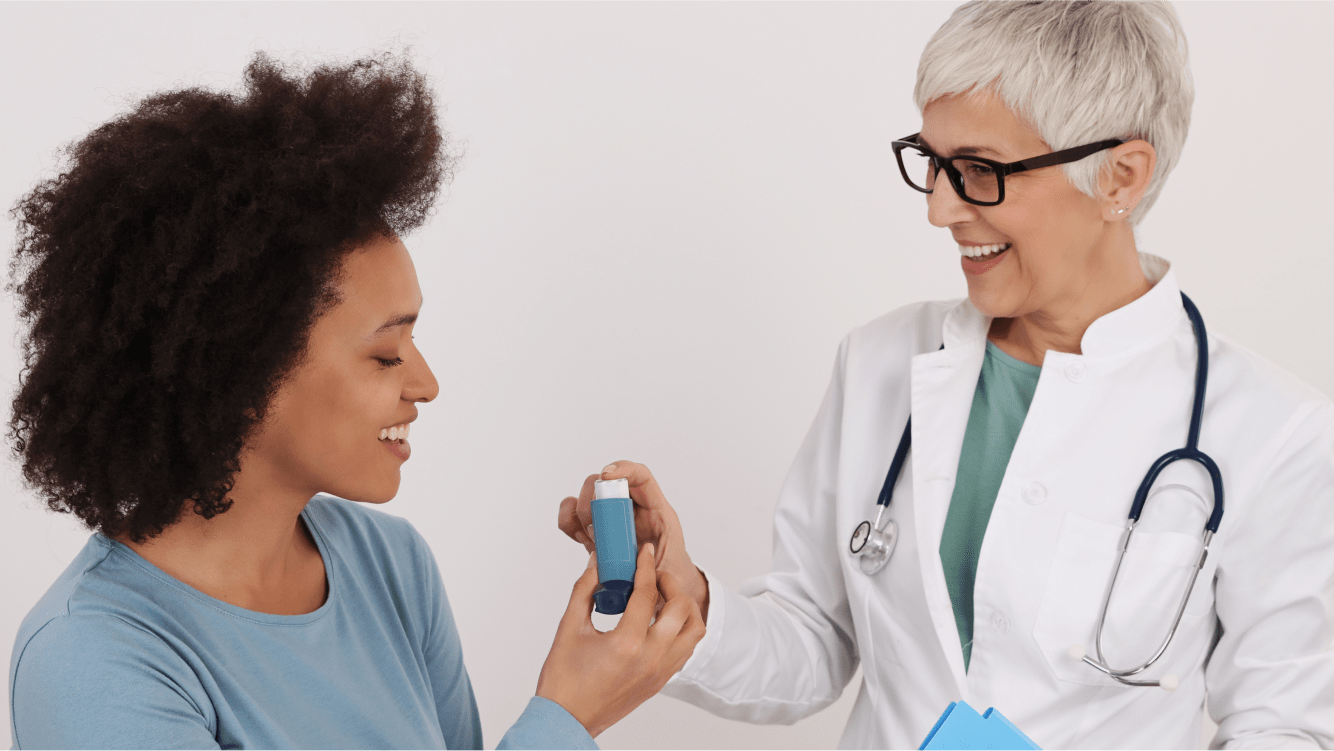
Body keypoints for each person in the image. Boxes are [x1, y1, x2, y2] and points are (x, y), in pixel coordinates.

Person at [557, 1, 1334, 749]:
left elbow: (1283, 725)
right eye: (932, 162)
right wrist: (682, 599)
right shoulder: (880, 362)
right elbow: (814, 640)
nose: (939, 208)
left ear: (1121, 179)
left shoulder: (1273, 432)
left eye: (979, 170)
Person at [6, 51, 703, 750]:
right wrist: (568, 718)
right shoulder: (92, 659)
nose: (426, 384)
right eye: (385, 353)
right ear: (243, 367)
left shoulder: (390, 565)